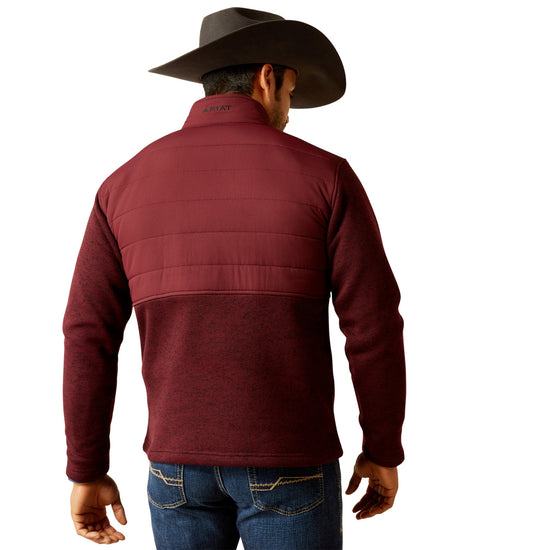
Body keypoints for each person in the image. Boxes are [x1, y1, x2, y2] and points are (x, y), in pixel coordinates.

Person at [63, 7, 406, 549]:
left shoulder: (122, 185)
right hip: (290, 457)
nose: (288, 115)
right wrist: (382, 448)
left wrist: (87, 468)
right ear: (267, 78)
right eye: (290, 93)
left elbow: (87, 334)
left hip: (175, 467)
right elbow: (373, 327)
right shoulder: (327, 176)